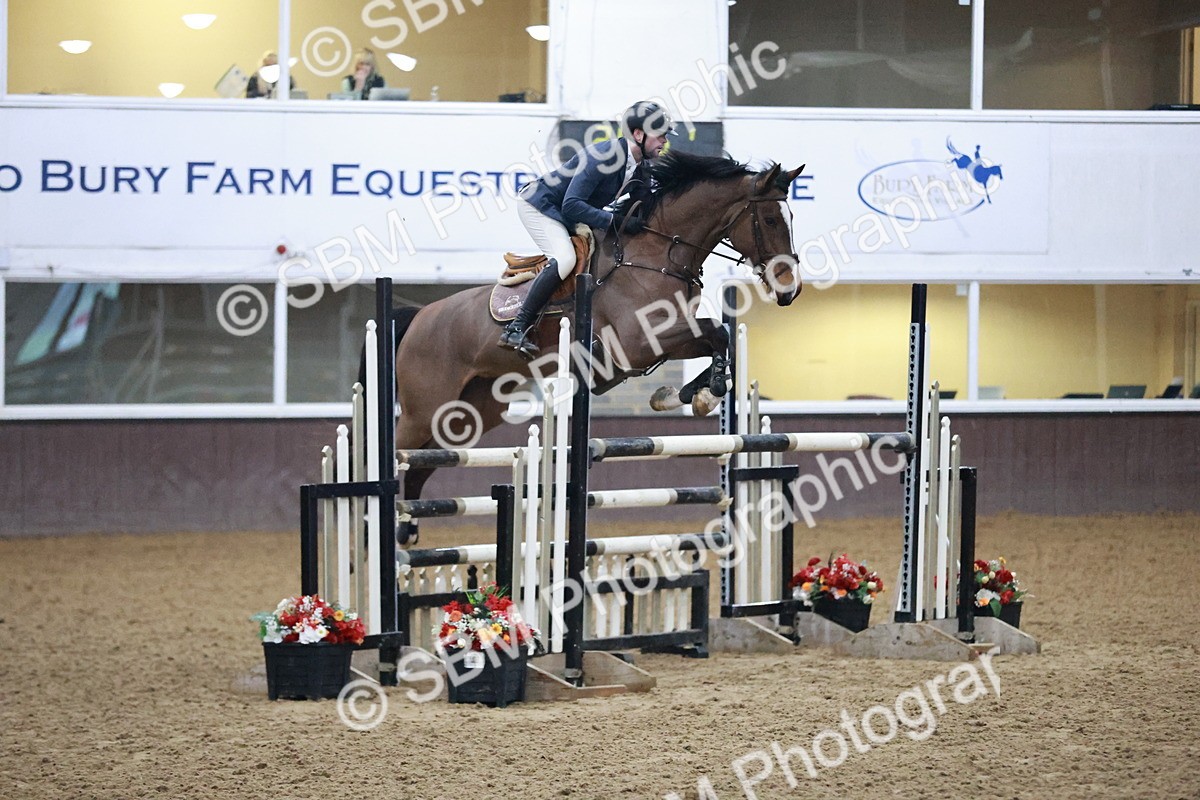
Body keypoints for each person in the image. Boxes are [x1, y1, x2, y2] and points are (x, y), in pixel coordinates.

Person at [498, 100, 673, 357]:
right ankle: (516, 327)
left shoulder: (641, 168)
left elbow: (647, 205)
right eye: (660, 136)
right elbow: (571, 205)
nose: (664, 142)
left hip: (566, 212)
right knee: (566, 258)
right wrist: (614, 221)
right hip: (539, 205)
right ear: (638, 134)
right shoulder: (605, 155)